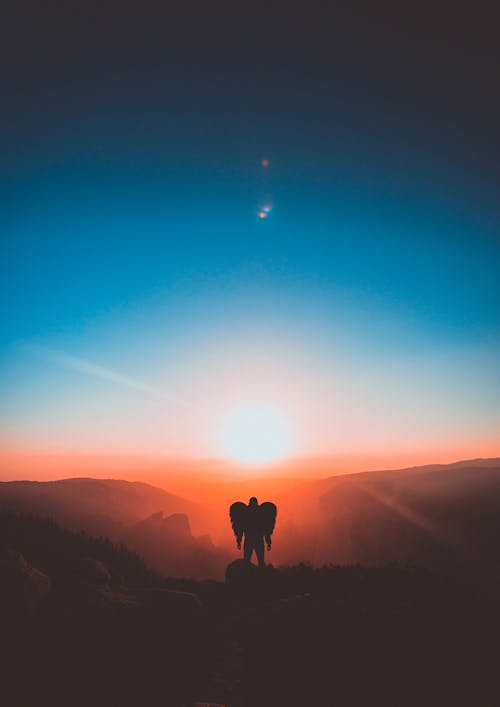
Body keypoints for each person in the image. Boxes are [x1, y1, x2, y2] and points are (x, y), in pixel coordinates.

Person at [229, 497, 277, 567]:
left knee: (247, 561)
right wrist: (268, 542)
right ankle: (261, 574)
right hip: (259, 540)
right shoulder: (262, 513)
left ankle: (247, 575)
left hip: (248, 540)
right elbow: (266, 529)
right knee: (260, 561)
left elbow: (240, 528)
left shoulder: (245, 513)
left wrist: (239, 541)